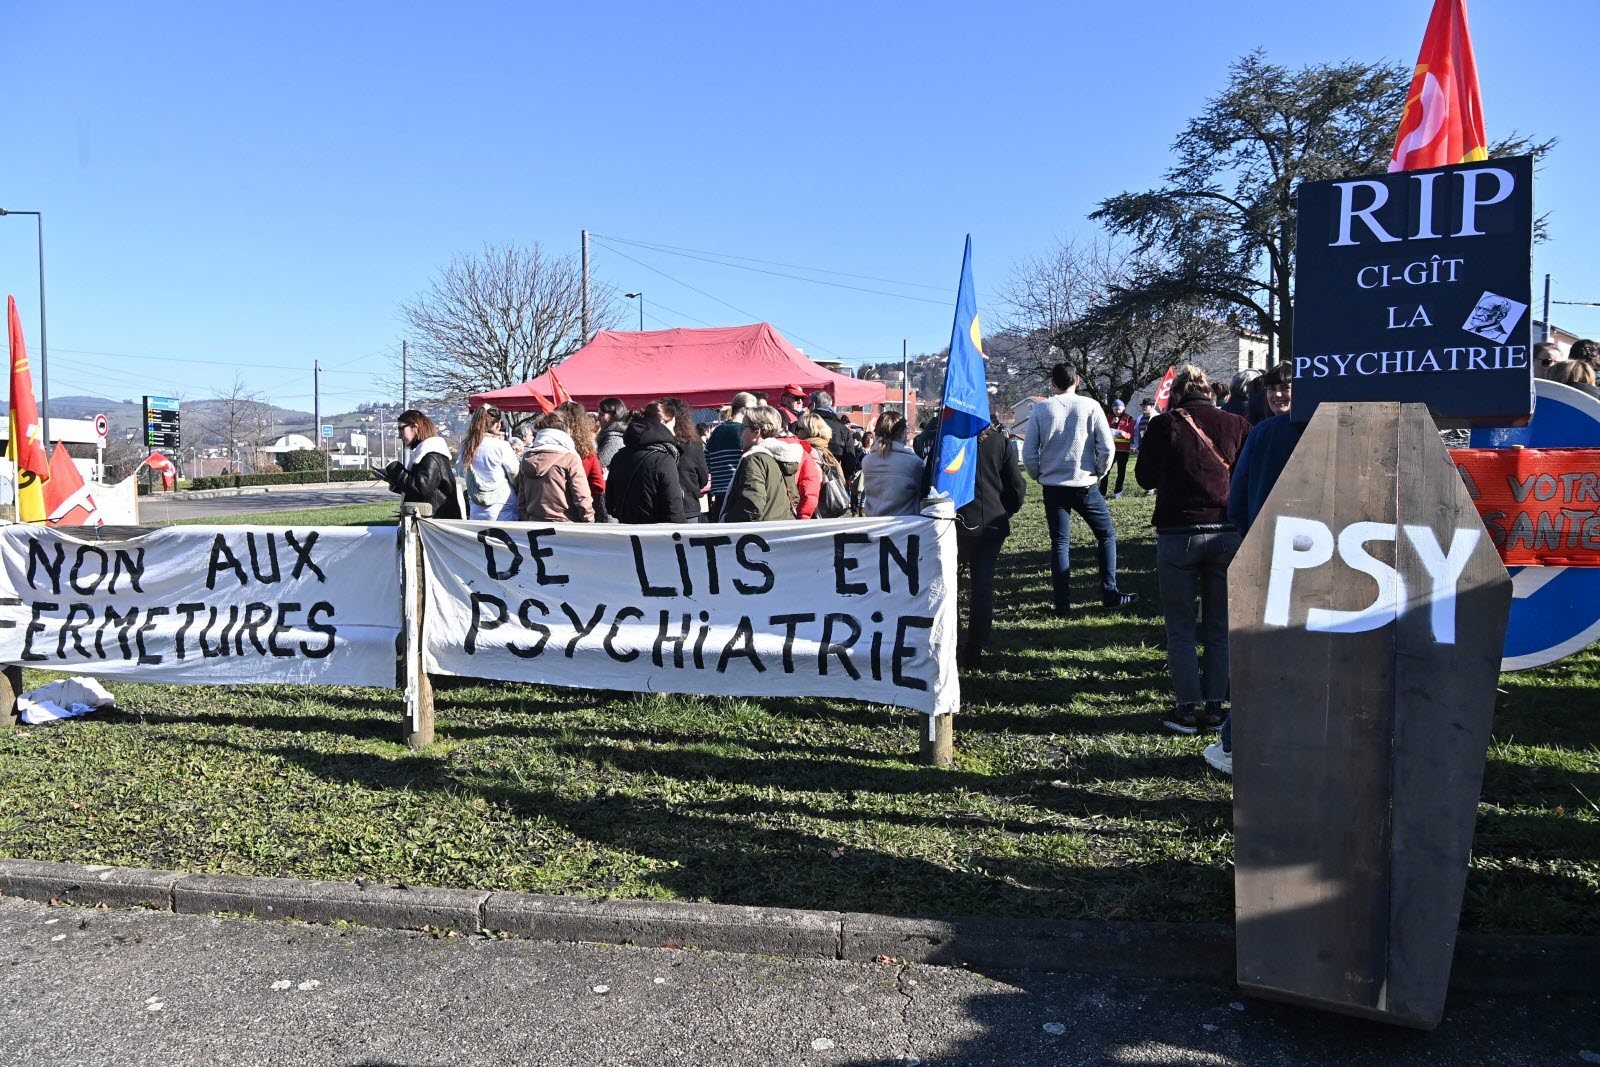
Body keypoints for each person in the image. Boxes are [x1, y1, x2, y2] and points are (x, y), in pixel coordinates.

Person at [1134, 364, 1249, 736]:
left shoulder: (1163, 425)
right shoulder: (1236, 425)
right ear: (1211, 393)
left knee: (1180, 627)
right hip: (1226, 531)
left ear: (1177, 394)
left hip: (1177, 532)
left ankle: (1187, 709)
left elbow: (1144, 478)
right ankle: (1216, 707)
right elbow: (1245, 477)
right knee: (1219, 625)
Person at [1212, 362, 1305, 776]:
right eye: (1273, 389)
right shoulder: (1341, 431)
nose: (1280, 395)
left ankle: (1235, 741)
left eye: (1287, 387)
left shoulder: (1265, 435)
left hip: (1270, 556)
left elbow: (1236, 505)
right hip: (1329, 557)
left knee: (1265, 652)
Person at [1022, 363, 1136, 613]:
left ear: (1053, 383)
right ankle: (1109, 592)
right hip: (1085, 483)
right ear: (1078, 381)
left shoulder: (1041, 409)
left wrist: (1038, 474)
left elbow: (1029, 452)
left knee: (1060, 544)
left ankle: (1062, 604)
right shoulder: (1091, 406)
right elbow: (1108, 447)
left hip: (1053, 485)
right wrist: (1099, 472)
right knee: (1106, 535)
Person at [955, 416, 1027, 669]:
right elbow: (1016, 487)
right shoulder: (1000, 443)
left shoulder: (951, 440)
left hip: (955, 522)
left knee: (950, 586)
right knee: (982, 586)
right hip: (990, 521)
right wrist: (1004, 510)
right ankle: (976, 646)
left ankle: (953, 641)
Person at [605, 402, 685, 524]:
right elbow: (674, 510)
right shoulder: (663, 460)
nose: (674, 433)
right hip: (656, 534)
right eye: (672, 427)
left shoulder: (619, 456)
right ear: (662, 423)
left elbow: (610, 504)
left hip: (627, 530)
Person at [722, 405, 803, 522]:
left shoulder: (754, 459)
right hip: (783, 529)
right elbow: (794, 497)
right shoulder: (783, 456)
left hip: (762, 534)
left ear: (757, 432)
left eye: (743, 428)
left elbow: (751, 504)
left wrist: (726, 519)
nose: (740, 433)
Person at [379, 409, 461, 519]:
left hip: (435, 523)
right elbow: (419, 489)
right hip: (433, 520)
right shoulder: (427, 452)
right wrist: (392, 480)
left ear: (415, 427)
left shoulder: (431, 454)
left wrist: (395, 469)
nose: (399, 435)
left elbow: (422, 489)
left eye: (401, 429)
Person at [514, 411, 594, 523]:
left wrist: (526, 520)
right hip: (566, 526)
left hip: (534, 525)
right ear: (566, 431)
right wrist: (589, 522)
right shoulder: (570, 459)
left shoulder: (526, 458)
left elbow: (521, 499)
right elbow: (582, 497)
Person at [457, 403, 520, 521]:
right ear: (497, 424)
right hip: (503, 505)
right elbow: (514, 473)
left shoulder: (466, 447)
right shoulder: (501, 446)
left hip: (476, 504)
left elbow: (460, 471)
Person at [861, 410, 924, 516]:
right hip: (903, 525)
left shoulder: (867, 461)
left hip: (874, 523)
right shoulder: (914, 463)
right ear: (903, 434)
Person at [705, 392, 757, 521]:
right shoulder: (744, 432)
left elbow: (706, 460)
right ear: (746, 410)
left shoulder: (717, 430)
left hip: (719, 494)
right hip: (738, 492)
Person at [556, 400, 609, 522]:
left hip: (543, 511)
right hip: (576, 511)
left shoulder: (541, 450)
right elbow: (598, 485)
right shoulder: (587, 451)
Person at [663, 396, 711, 521]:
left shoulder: (655, 445)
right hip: (689, 506)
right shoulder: (693, 445)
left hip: (662, 508)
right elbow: (703, 478)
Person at [796, 413, 851, 518]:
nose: (796, 432)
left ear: (808, 430)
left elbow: (810, 488)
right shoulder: (825, 450)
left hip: (814, 513)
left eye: (799, 428)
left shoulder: (809, 452)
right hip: (830, 512)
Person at [809, 390, 862, 486]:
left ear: (813, 405)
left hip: (810, 478)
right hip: (835, 481)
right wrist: (844, 479)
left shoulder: (806, 424)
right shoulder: (842, 428)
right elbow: (850, 459)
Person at [1101, 399, 1135, 498]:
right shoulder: (1109, 417)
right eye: (1115, 409)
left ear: (1124, 408)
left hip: (1123, 450)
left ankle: (1118, 492)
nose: (1117, 412)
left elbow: (1131, 435)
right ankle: (1102, 492)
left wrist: (1124, 434)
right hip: (1111, 449)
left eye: (1119, 409)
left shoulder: (1129, 418)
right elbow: (1104, 431)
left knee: (1121, 471)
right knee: (1106, 470)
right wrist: (1111, 423)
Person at [596, 397, 629, 470]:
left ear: (613, 416)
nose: (598, 418)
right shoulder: (610, 436)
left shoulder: (615, 439)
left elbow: (596, 465)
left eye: (601, 414)